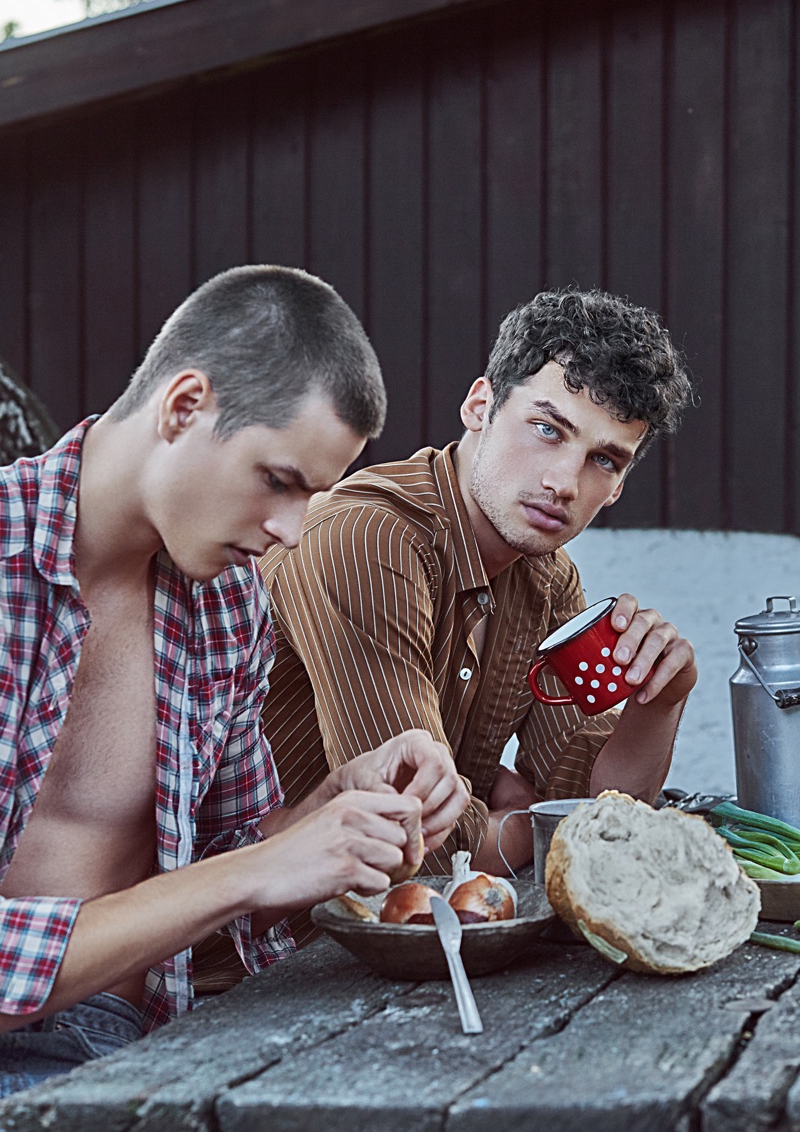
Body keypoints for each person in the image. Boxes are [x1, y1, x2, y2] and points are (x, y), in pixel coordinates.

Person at [0, 264, 468, 1094]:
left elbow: (234, 850)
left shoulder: (227, 606)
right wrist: (258, 870)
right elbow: (237, 877)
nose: (290, 531)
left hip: (144, 1042)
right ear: (184, 407)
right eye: (278, 481)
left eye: (312, 497)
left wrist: (329, 813)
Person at [260, 287, 698, 943]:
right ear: (480, 405)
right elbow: (419, 849)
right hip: (245, 965)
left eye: (602, 459)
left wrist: (657, 706)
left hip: (397, 953)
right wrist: (522, 826)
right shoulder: (369, 539)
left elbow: (600, 821)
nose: (563, 483)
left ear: (619, 483)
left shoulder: (545, 577)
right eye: (548, 430)